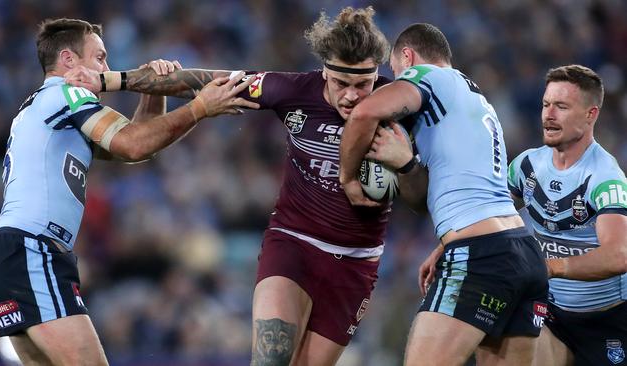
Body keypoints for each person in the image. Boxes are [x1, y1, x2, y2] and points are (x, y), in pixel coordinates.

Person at [66, 6, 391, 366]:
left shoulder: (401, 104)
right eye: (340, 84)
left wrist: (407, 165)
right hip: (293, 243)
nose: (350, 96)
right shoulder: (294, 90)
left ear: (377, 75)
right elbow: (210, 81)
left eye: (363, 84)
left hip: (357, 261)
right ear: (324, 73)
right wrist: (114, 81)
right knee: (269, 361)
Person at [0, 18, 258, 366]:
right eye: (99, 58)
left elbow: (138, 142)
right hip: (32, 252)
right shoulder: (67, 92)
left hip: (13, 256)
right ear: (68, 60)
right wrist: (201, 108)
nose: (106, 69)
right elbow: (134, 145)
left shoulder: (40, 106)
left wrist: (152, 90)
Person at [338, 23, 549, 365]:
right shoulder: (475, 100)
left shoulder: (428, 77)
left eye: (396, 72)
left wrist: (347, 176)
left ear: (408, 56)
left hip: (480, 256)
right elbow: (430, 202)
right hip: (523, 253)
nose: (398, 80)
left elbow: (366, 112)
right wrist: (407, 164)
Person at [507, 65, 627, 366]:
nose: (549, 114)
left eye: (561, 106)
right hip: (549, 314)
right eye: (546, 104)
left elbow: (618, 255)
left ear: (591, 115)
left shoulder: (605, 178)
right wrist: (443, 248)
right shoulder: (526, 166)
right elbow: (488, 214)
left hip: (606, 321)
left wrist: (551, 267)